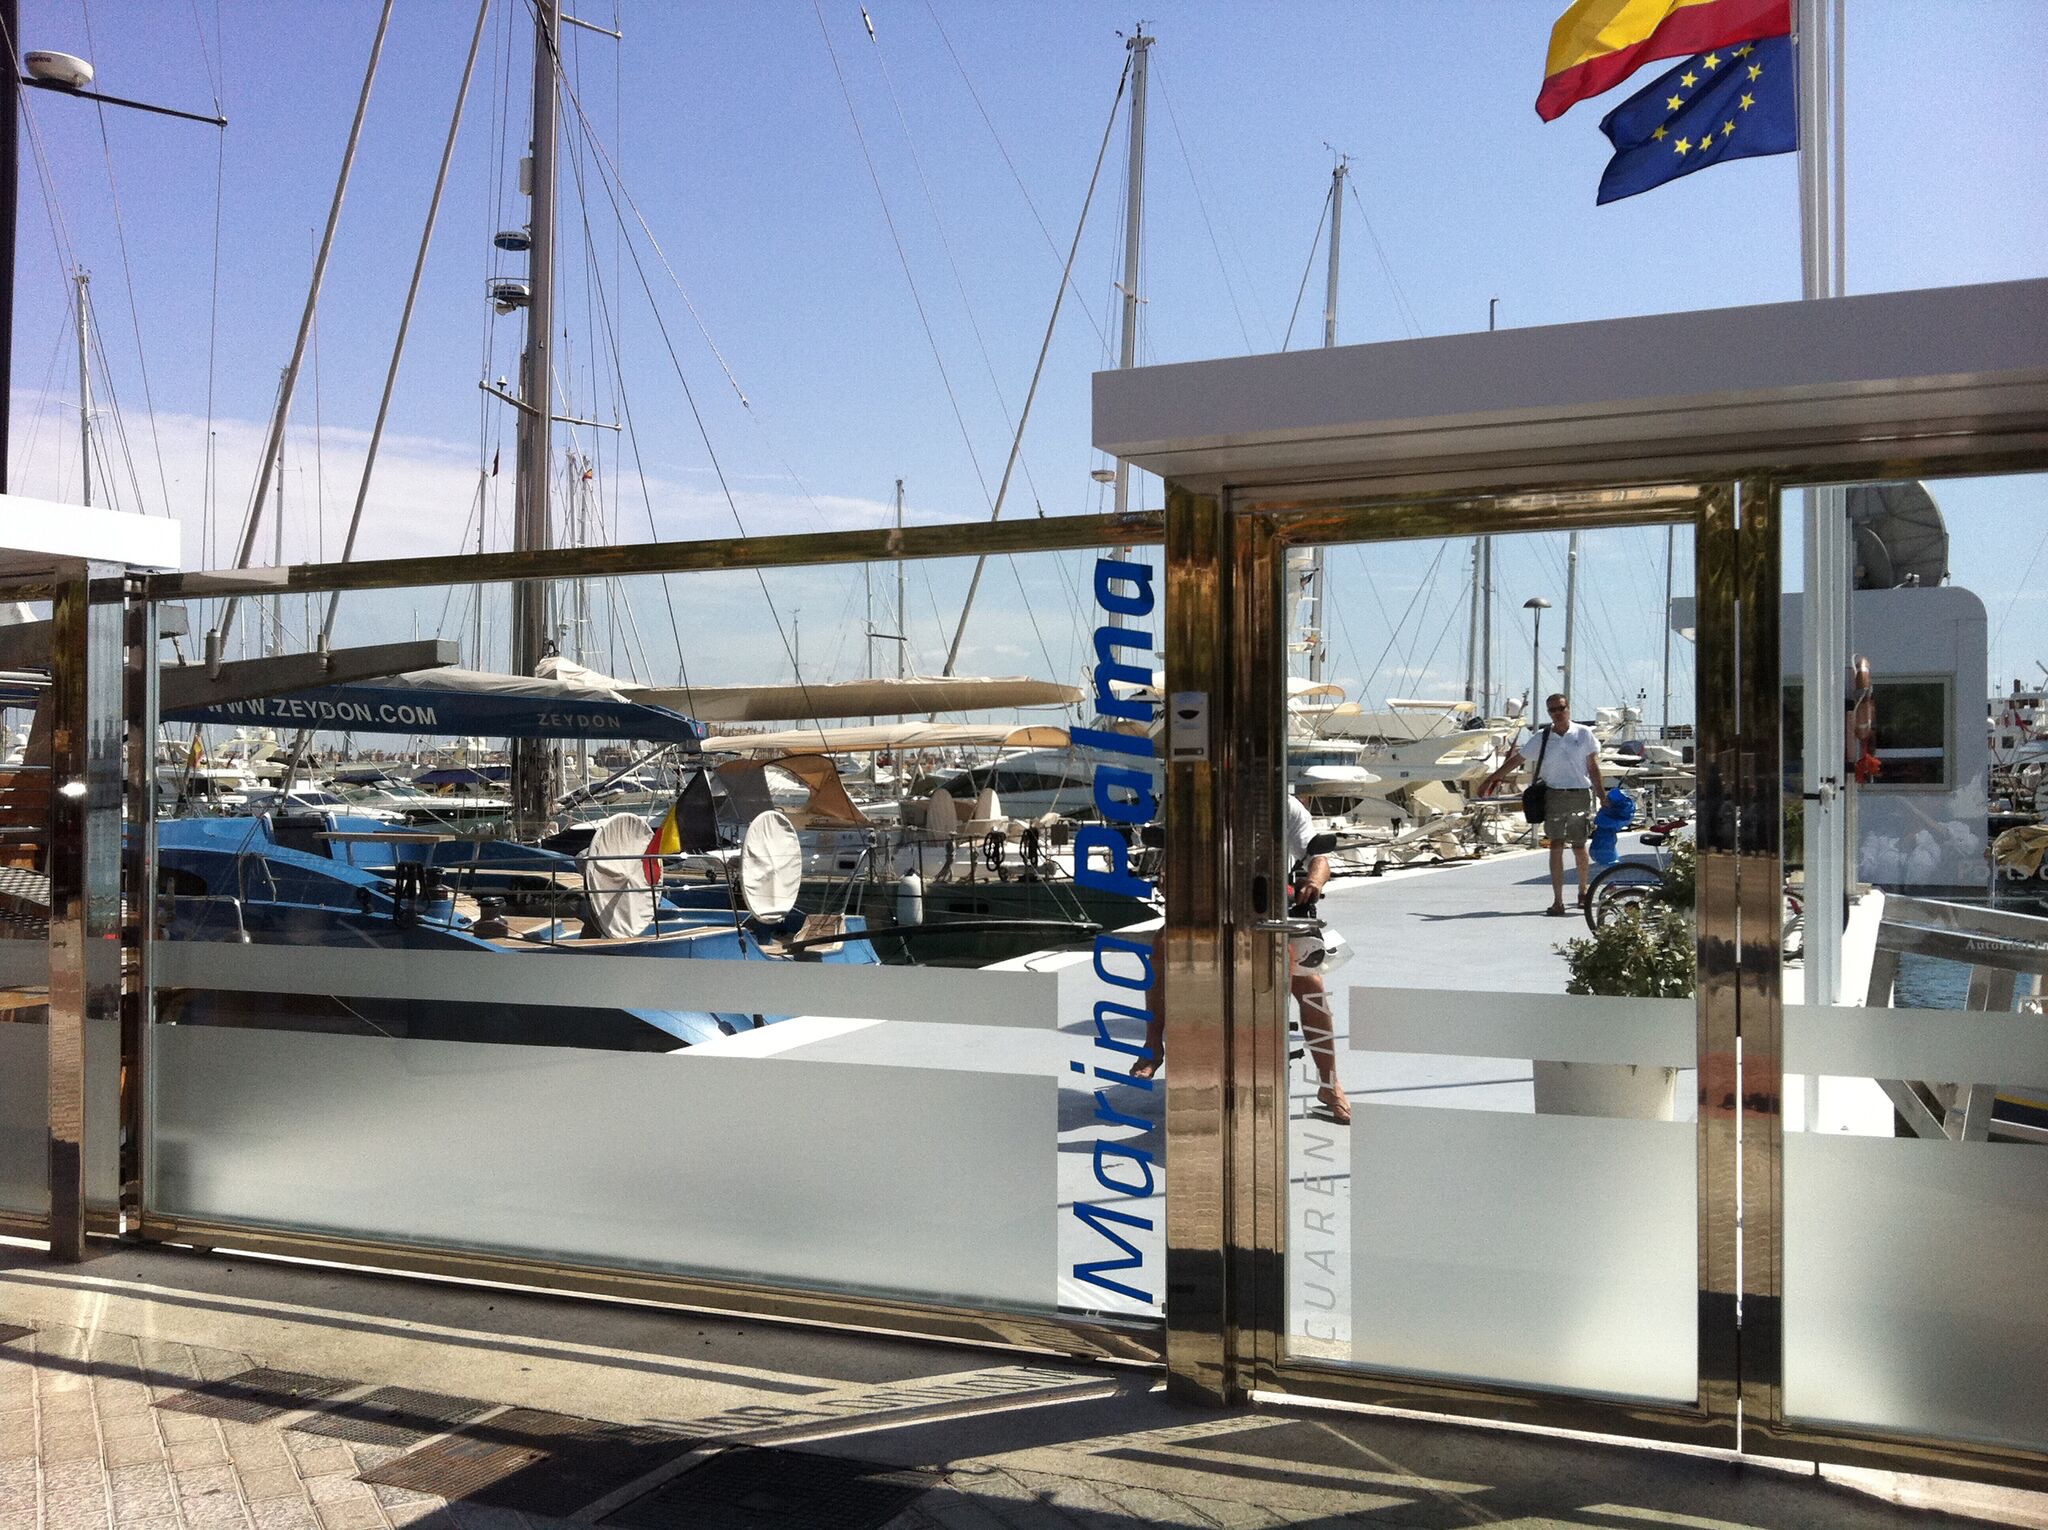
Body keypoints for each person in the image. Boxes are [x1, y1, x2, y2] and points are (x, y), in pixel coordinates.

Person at [1131, 792, 1352, 1126]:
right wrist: (1169, 876)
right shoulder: (1192, 800)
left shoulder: (1284, 805)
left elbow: (1316, 857)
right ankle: (1153, 1045)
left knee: (1311, 987)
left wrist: (1315, 880)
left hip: (1272, 906)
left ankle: (1329, 1082)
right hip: (1207, 904)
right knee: (1161, 950)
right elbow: (1169, 856)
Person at [1481, 692, 1605, 916]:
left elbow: (1593, 766)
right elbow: (1518, 759)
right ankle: (1558, 901)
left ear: (1568, 708)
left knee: (1578, 846)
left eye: (1561, 708)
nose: (1557, 713)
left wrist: (1602, 796)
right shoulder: (1543, 736)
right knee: (1556, 846)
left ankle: (1583, 891)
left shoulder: (1584, 733)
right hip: (1554, 795)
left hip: (1580, 794)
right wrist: (1493, 778)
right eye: (1552, 710)